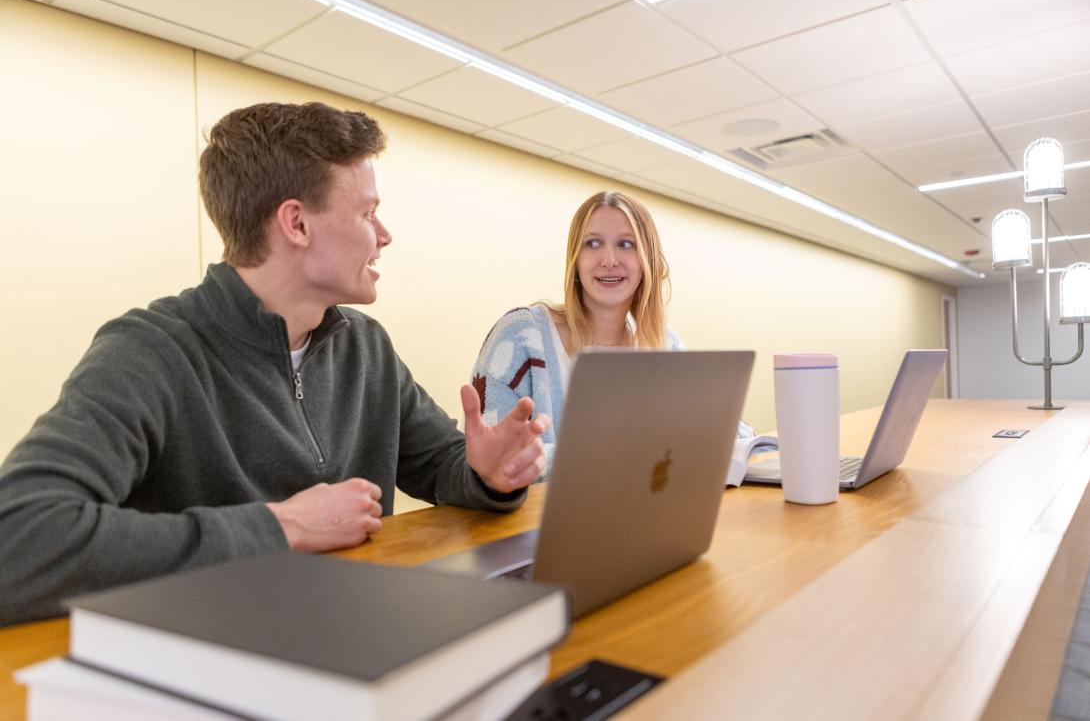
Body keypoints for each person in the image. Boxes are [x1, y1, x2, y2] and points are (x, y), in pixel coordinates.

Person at [0, 102, 548, 626]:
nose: (384, 236)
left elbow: (440, 464)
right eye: (368, 213)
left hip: (354, 631)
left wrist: (487, 474)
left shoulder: (366, 347)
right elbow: (19, 539)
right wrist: (280, 526)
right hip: (215, 659)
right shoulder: (149, 351)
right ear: (297, 224)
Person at [471, 191, 752, 476]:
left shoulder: (663, 344)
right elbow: (493, 460)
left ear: (647, 261)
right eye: (592, 243)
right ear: (575, 260)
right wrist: (634, 452)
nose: (609, 259)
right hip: (531, 518)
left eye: (626, 244)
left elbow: (733, 434)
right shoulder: (520, 337)